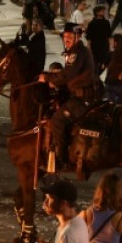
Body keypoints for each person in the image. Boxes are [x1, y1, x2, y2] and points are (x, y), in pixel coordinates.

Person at [39, 22, 96, 167]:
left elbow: (69, 74)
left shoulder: (77, 52)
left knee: (58, 119)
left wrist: (48, 78)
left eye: (70, 36)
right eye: (65, 36)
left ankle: (62, 159)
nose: (67, 39)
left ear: (78, 36)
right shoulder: (76, 51)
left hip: (82, 98)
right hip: (79, 94)